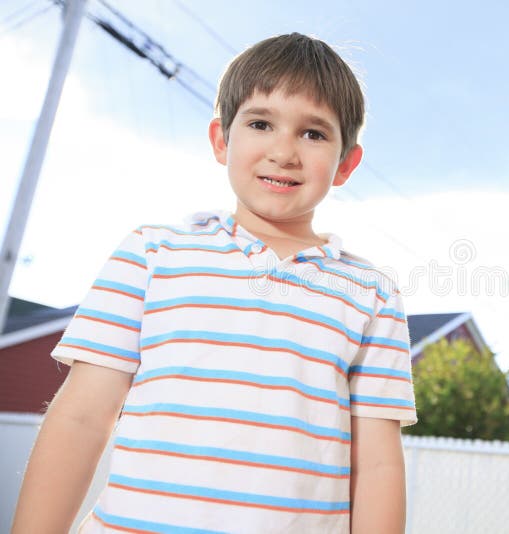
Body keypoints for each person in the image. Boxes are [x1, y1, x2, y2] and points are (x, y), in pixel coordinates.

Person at [12, 32, 416, 533]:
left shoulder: (372, 294)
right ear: (222, 140)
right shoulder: (152, 254)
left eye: (313, 133)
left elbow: (376, 465)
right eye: (261, 123)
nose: (284, 151)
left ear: (346, 164)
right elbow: (82, 418)